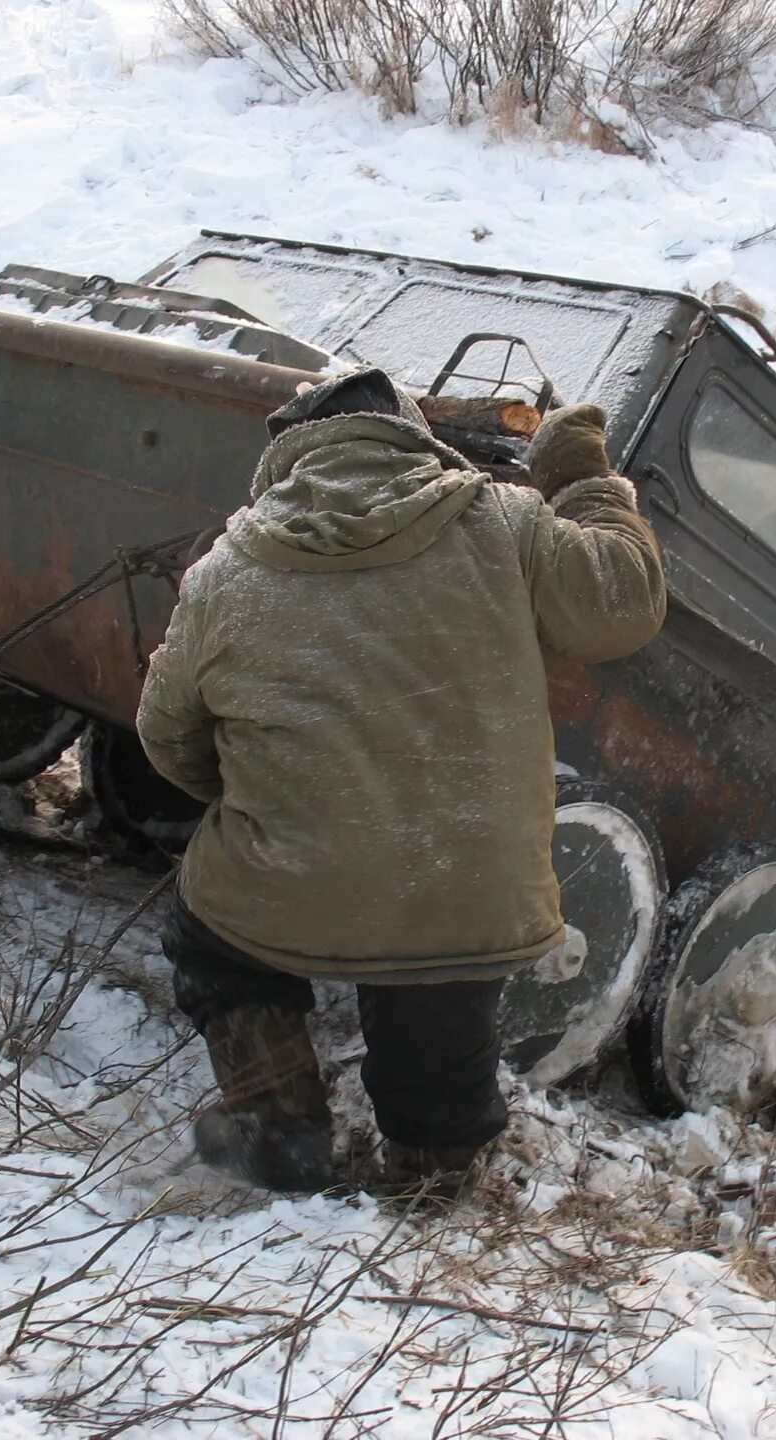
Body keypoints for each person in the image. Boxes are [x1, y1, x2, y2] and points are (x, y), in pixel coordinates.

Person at [136, 366, 666, 1194]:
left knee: (215, 942)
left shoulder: (227, 569)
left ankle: (276, 1123)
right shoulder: (506, 522)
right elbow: (624, 603)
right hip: (462, 879)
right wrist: (580, 478)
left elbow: (167, 735)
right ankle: (433, 1173)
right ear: (418, 440)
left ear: (291, 454)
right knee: (439, 994)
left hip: (289, 874)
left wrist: (264, 803)